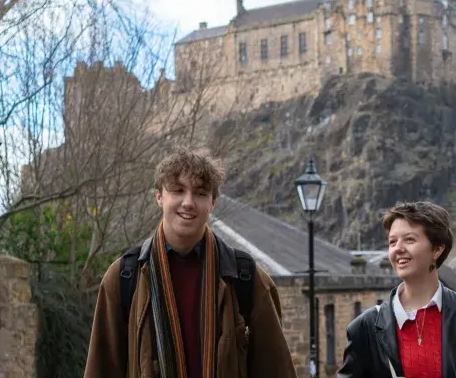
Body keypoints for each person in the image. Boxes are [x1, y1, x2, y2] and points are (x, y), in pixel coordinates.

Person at [83, 147, 296, 378]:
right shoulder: (124, 277)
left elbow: (276, 369)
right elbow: (102, 368)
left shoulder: (246, 278)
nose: (188, 202)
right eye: (178, 190)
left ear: (213, 202)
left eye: (200, 193)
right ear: (159, 197)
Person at [337, 201, 456, 378]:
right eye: (392, 242)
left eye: (409, 239)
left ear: (437, 249)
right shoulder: (364, 328)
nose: (398, 248)